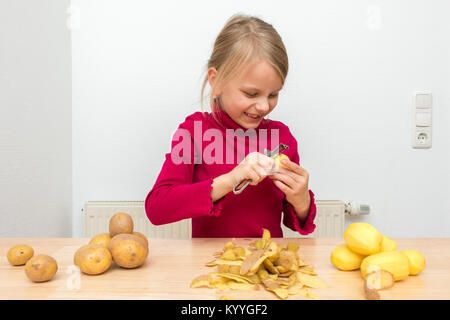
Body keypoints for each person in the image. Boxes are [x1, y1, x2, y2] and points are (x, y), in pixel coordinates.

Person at [145, 14, 316, 238]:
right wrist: (232, 178)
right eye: (251, 93)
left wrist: (302, 201)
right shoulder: (194, 132)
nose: (264, 106)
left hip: (266, 267)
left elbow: (297, 222)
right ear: (216, 81)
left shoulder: (280, 138)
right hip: (211, 267)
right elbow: (158, 208)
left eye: (273, 94)